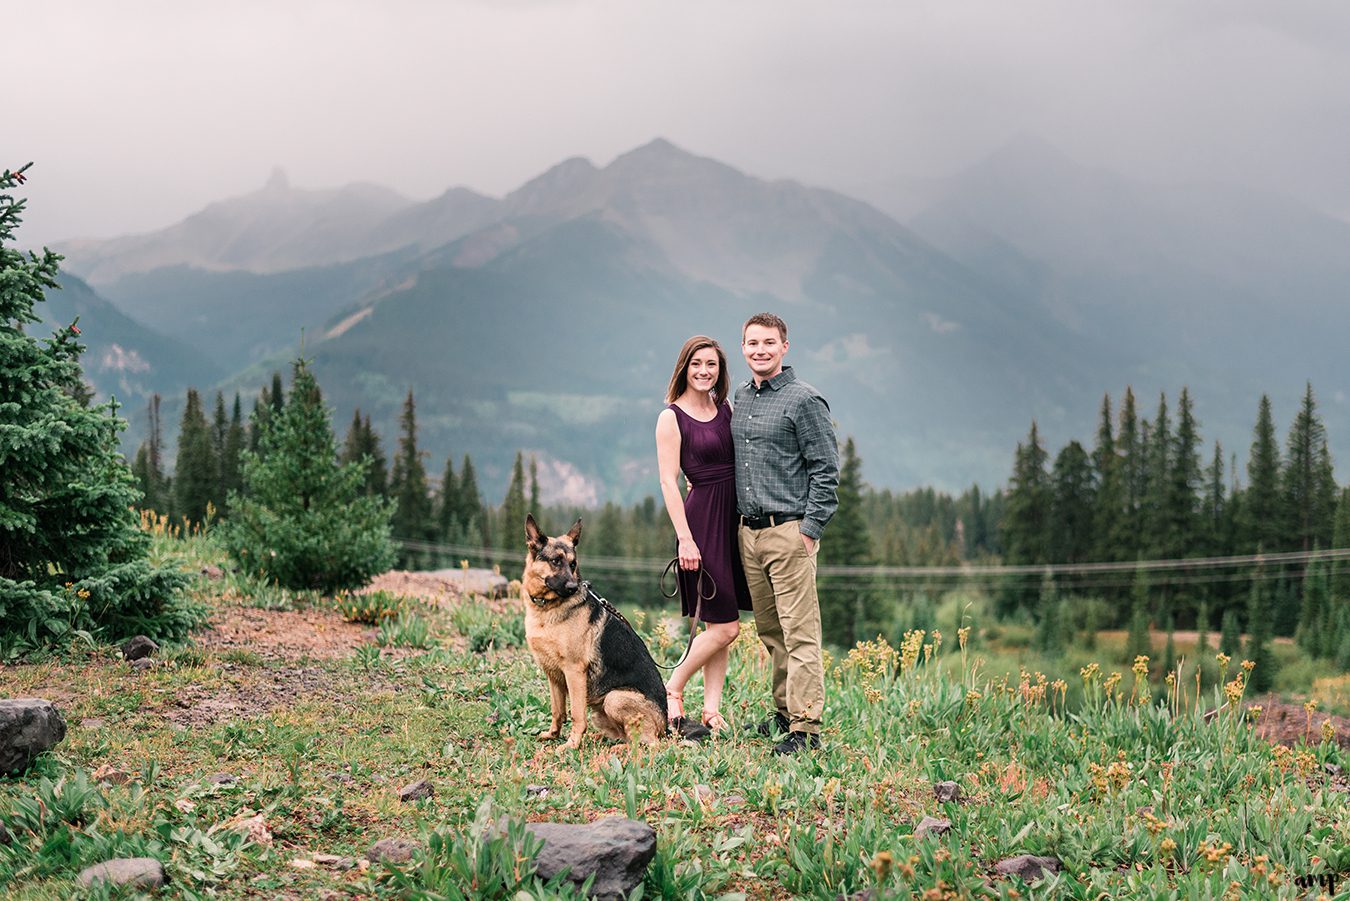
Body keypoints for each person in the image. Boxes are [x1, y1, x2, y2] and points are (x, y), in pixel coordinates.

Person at [731, 312, 839, 755]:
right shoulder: (742, 396)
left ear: (785, 347)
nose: (760, 350)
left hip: (789, 532)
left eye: (769, 343)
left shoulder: (804, 400)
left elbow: (827, 470)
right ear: (743, 348)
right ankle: (783, 713)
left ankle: (806, 729)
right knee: (771, 631)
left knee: (800, 633)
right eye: (753, 343)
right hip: (750, 535)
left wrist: (810, 529)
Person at [655, 335, 752, 736]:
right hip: (701, 522)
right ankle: (673, 688)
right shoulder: (671, 418)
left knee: (718, 626)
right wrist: (685, 539)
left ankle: (711, 710)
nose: (703, 371)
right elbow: (667, 481)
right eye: (696, 363)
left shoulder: (724, 409)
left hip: (733, 521)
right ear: (684, 367)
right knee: (728, 626)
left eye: (711, 364)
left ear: (719, 371)